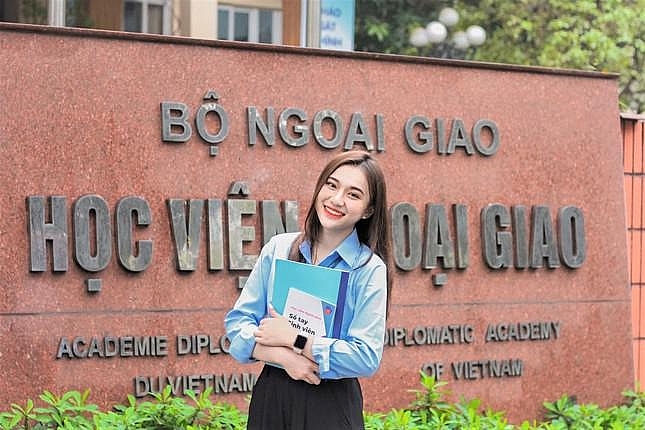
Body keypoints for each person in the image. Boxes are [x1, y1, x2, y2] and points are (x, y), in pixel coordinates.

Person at [224, 150, 392, 430]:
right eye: (332, 185)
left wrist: (296, 339)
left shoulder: (368, 268)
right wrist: (283, 357)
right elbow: (237, 324)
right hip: (273, 397)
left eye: (353, 194)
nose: (336, 200)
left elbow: (365, 356)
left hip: (330, 402)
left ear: (368, 210)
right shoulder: (279, 249)